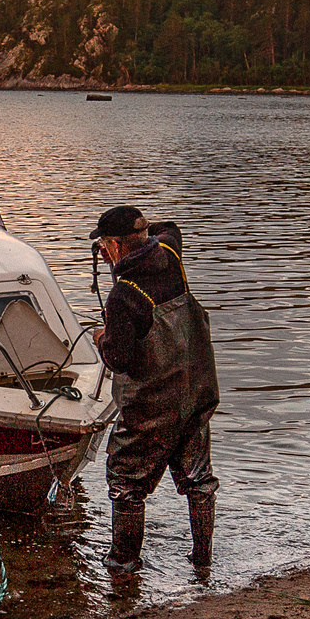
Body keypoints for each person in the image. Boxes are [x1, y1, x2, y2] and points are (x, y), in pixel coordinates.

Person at [90, 205, 220, 569]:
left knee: (126, 481)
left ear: (115, 246)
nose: (102, 251)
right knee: (197, 476)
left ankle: (123, 562)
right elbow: (169, 226)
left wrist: (102, 338)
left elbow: (120, 360)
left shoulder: (124, 295)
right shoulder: (172, 252)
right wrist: (140, 232)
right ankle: (203, 558)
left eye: (103, 244)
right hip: (196, 392)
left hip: (150, 407)